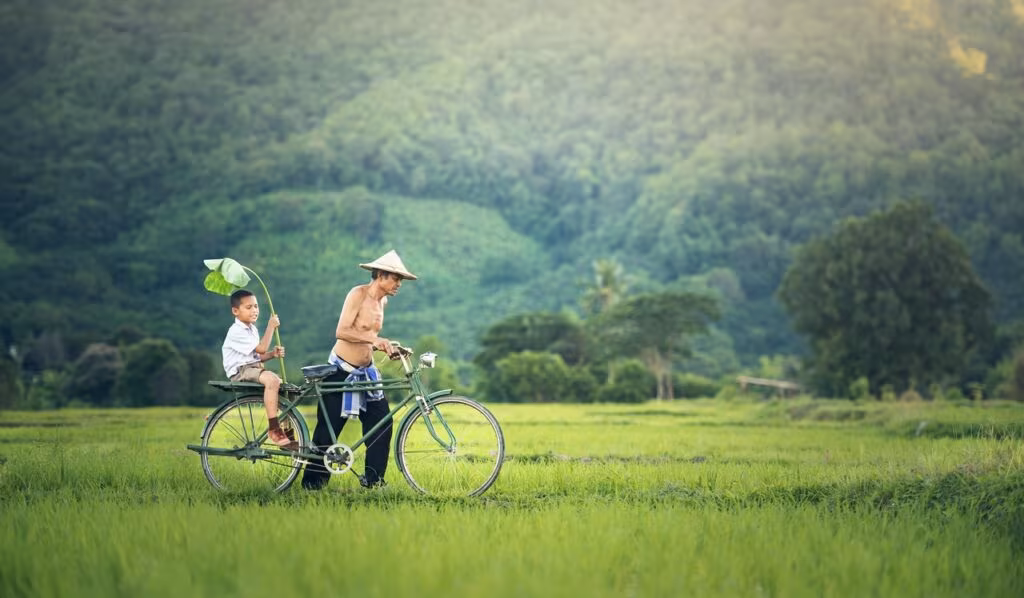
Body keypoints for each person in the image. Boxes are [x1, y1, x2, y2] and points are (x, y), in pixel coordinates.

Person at [301, 250, 417, 490]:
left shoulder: (382, 302)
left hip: (367, 372)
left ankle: (374, 481)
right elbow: (342, 331)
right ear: (382, 275)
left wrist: (388, 346)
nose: (398, 284)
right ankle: (312, 486)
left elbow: (369, 336)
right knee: (328, 430)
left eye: (401, 280)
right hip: (340, 370)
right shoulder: (358, 294)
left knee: (381, 422)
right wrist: (375, 341)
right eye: (396, 279)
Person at [221, 289, 295, 449]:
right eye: (249, 307)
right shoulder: (236, 331)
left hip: (252, 367)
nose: (254, 310)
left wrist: (273, 354)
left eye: (256, 306)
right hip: (240, 371)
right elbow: (260, 348)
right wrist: (270, 326)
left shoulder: (251, 329)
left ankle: (289, 432)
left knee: (287, 389)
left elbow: (258, 356)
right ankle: (274, 428)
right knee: (273, 380)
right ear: (235, 311)